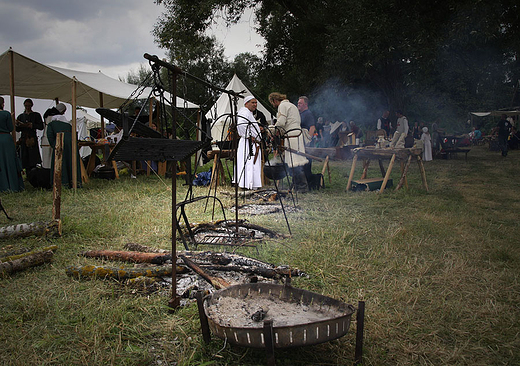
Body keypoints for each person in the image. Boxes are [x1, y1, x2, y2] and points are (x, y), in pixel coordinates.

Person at [268, 92, 309, 192]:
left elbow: (281, 123)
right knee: (296, 163)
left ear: (275, 101)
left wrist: (272, 129)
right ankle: (297, 186)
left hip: (292, 137)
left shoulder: (282, 106)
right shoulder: (291, 105)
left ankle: (302, 187)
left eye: (272, 103)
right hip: (296, 136)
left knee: (294, 163)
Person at [46, 103, 82, 188]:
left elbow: (50, 136)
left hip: (59, 142)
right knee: (71, 161)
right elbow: (75, 134)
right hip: (71, 143)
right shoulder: (68, 125)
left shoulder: (52, 124)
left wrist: (54, 145)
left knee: (61, 162)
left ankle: (63, 183)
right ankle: (74, 182)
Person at [234, 96, 263, 190]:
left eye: (256, 103)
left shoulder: (248, 113)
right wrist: (249, 136)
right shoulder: (244, 112)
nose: (255, 105)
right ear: (246, 104)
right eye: (253, 103)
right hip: (248, 143)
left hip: (251, 142)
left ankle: (251, 184)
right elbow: (241, 125)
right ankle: (247, 184)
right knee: (249, 163)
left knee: (252, 163)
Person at [0, 97, 24, 192]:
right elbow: (10, 128)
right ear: (2, 104)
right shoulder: (6, 114)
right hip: (6, 139)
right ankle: (12, 186)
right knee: (10, 162)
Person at [15, 98, 43, 173]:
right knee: (25, 158)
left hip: (32, 138)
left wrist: (32, 125)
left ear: (31, 106)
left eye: (29, 106)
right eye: (26, 105)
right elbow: (17, 129)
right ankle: (28, 174)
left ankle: (33, 174)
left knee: (33, 158)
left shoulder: (36, 115)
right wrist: (18, 125)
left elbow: (41, 126)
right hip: (24, 138)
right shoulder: (21, 116)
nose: (27, 107)